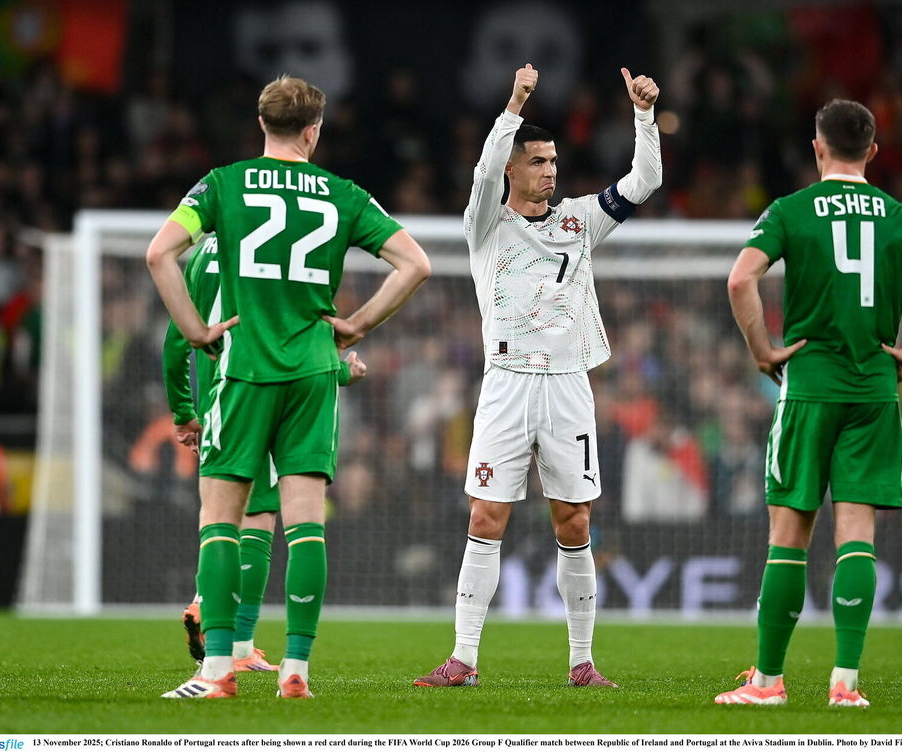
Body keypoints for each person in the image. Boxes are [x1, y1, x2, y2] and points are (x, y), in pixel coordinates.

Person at [146, 75, 431, 699]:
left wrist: (196, 331)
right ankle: (297, 671)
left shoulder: (222, 184)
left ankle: (218, 671)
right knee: (305, 525)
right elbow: (417, 264)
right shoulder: (343, 194)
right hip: (312, 375)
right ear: (314, 131)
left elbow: (158, 254)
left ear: (262, 126)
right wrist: (354, 326)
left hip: (244, 370)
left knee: (220, 522)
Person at [714, 99, 902, 707]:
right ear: (874, 152)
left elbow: (739, 279)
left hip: (808, 386)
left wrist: (763, 349)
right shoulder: (900, 216)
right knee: (856, 533)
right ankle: (846, 684)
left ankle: (767, 682)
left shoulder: (790, 210)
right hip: (874, 392)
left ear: (817, 147)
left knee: (789, 534)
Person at [414, 63, 661, 688]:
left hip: (567, 384)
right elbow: (479, 173)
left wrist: (643, 116)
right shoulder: (486, 227)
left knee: (574, 520)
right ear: (512, 170)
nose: (550, 170)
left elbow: (645, 181)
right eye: (538, 161)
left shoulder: (580, 219)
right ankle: (464, 659)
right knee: (484, 518)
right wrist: (516, 103)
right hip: (506, 382)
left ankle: (582, 662)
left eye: (554, 160)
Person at [162, 234, 365, 673]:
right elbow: (287, 341)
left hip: (217, 399)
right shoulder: (271, 248)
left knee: (229, 515)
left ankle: (237, 642)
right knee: (262, 520)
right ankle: (223, 629)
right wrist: (342, 373)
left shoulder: (199, 257)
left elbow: (177, 340)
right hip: (264, 391)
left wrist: (183, 410)